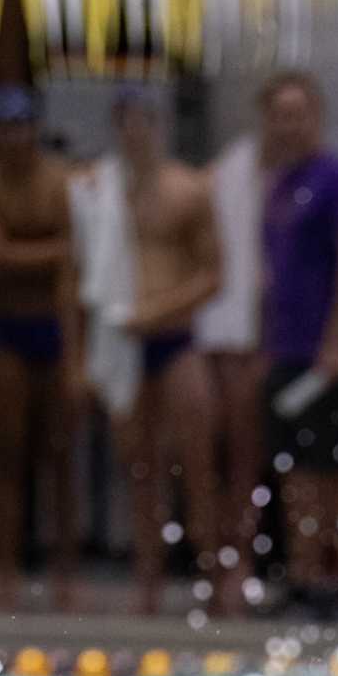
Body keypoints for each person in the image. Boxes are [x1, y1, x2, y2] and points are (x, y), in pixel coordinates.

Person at [0, 85, 82, 612]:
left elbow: (71, 255)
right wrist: (48, 253)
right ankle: (5, 570)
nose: (13, 137)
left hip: (56, 328)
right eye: (4, 127)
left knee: (60, 457)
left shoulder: (64, 182)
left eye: (21, 126)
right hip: (9, 328)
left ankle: (64, 576)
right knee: (8, 454)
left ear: (34, 128)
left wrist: (10, 257)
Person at [259, 71, 338, 615]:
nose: (289, 125)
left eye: (298, 113)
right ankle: (306, 574)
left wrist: (337, 340)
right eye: (279, 115)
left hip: (328, 355)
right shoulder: (281, 184)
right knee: (297, 470)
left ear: (317, 116)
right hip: (288, 348)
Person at [105, 91, 222, 615]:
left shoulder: (189, 189)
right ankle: (147, 585)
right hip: (125, 342)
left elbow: (214, 275)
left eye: (144, 124)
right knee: (140, 469)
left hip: (175, 340)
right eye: (126, 125)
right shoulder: (99, 191)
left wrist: (157, 313)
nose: (136, 135)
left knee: (197, 465)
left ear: (158, 127)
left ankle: (214, 580)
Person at [196, 127, 268, 612]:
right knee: (207, 457)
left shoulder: (313, 182)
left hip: (263, 338)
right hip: (219, 332)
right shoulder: (229, 171)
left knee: (245, 459)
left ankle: (238, 563)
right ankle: (212, 562)